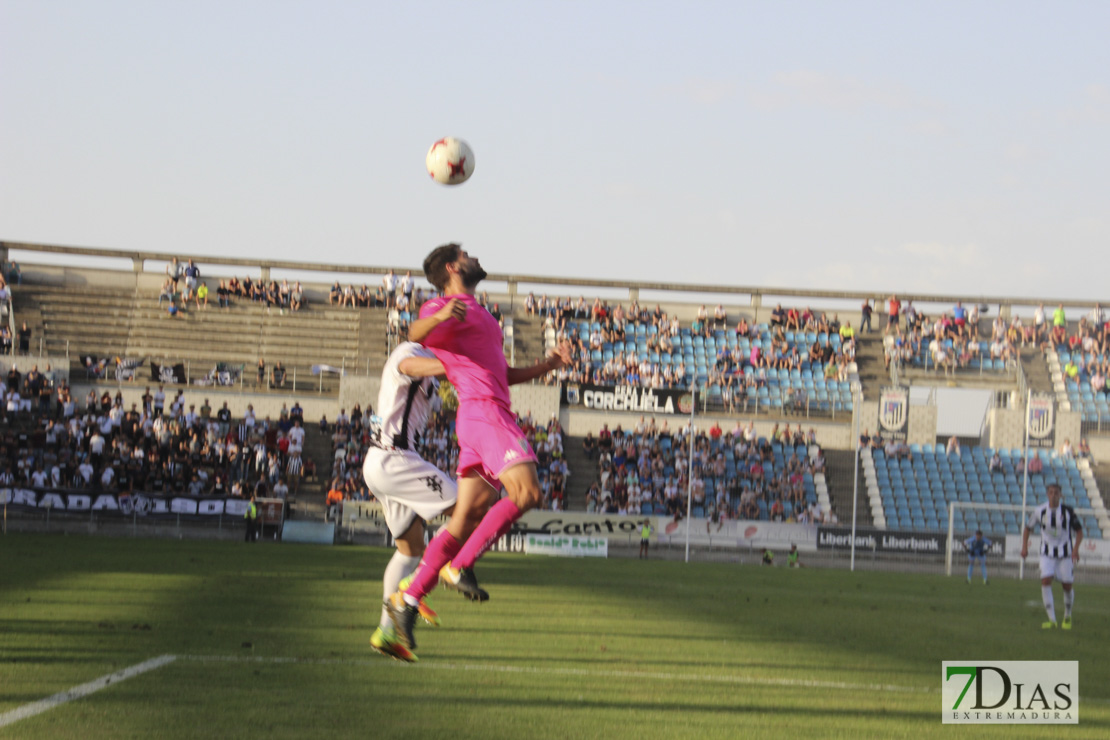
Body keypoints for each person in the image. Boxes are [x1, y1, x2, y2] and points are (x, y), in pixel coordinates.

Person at [388, 243, 572, 651]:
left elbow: (502, 372)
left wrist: (548, 365)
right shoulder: (443, 306)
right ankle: (460, 566)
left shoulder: (482, 315)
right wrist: (439, 314)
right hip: (485, 415)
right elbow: (413, 334)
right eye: (467, 254)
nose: (475, 258)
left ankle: (410, 598)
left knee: (464, 519)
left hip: (481, 416)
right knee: (528, 492)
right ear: (454, 267)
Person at [364, 341, 458, 663]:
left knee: (410, 550)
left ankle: (386, 632)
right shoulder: (412, 352)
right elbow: (408, 368)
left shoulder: (434, 372)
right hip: (395, 458)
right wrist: (454, 366)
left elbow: (444, 402)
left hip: (383, 462)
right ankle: (413, 590)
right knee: (467, 510)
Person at [1021, 484, 1083, 629]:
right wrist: (1024, 547)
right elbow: (1027, 529)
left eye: (1056, 492)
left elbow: (1079, 532)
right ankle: (1052, 620)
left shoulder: (1068, 511)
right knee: (1045, 580)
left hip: (1065, 553)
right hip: (1046, 553)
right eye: (1051, 492)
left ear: (1060, 495)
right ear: (1047, 494)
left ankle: (1067, 617)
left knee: (1067, 585)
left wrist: (1075, 550)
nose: (1053, 495)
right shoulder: (1039, 511)